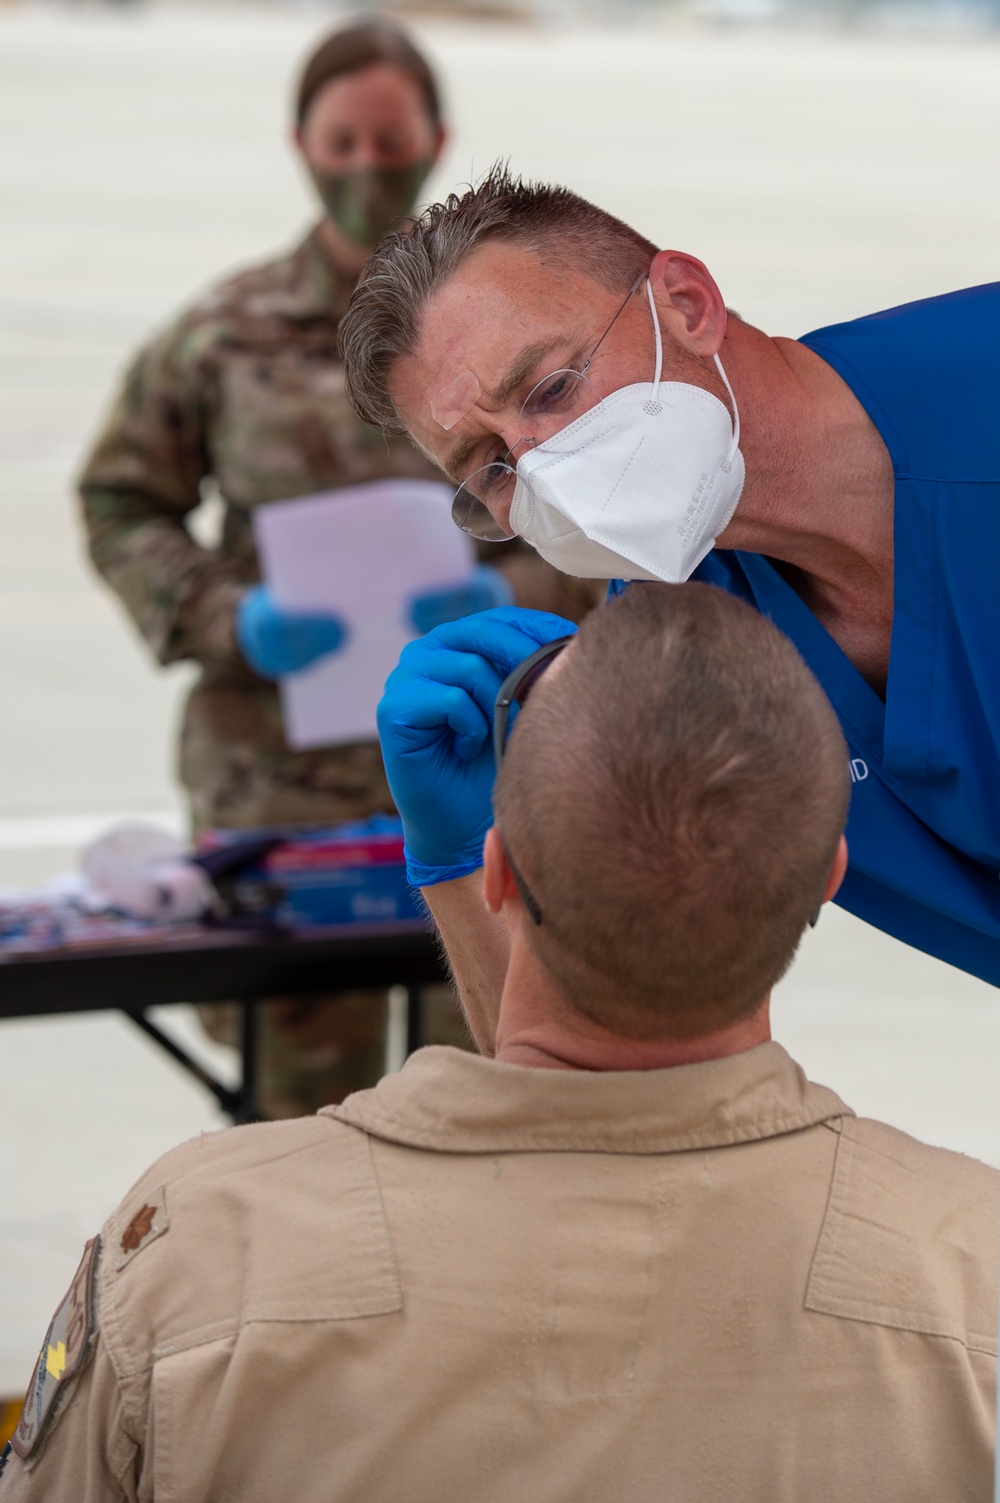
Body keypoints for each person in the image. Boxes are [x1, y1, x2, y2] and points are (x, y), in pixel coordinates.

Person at [2, 585, 996, 1501]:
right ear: (825, 877)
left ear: (500, 871)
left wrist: (446, 865)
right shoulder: (967, 1269)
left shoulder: (203, 1248)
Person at [79, 42, 598, 1115]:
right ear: (301, 149)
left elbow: (603, 509)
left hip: (490, 764)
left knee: (503, 1089)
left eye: (392, 142)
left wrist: (526, 602)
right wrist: (226, 615)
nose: (368, 164)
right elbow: (121, 499)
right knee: (302, 1115)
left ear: (436, 146)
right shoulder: (222, 336)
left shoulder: (503, 334)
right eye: (343, 143)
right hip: (284, 792)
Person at [338, 165, 1000, 991]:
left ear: (687, 305)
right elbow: (591, 1051)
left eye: (549, 388)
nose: (542, 467)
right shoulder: (675, 648)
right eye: (493, 467)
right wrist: (459, 858)